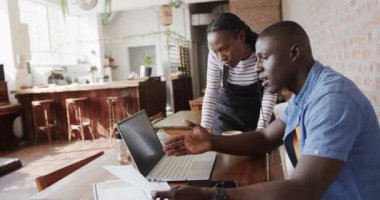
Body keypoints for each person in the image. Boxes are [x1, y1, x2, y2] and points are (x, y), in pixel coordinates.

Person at [153, 21, 380, 199]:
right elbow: (264, 138)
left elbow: (303, 190)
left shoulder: (331, 100)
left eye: (264, 58)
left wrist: (209, 195)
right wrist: (212, 141)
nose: (257, 67)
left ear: (294, 53)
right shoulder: (306, 93)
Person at [201, 13, 277, 134]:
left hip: (258, 117)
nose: (220, 58)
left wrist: (261, 128)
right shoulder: (214, 56)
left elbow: (270, 92)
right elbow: (211, 91)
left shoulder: (263, 51)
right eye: (215, 52)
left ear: (241, 36)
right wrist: (204, 129)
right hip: (225, 119)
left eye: (224, 49)